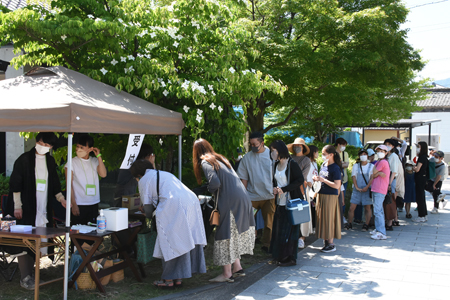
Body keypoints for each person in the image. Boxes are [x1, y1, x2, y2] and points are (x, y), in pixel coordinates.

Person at [130, 159, 207, 287]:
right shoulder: (164, 173)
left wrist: (146, 214)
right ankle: (178, 278)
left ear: (138, 175)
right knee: (183, 239)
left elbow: (148, 208)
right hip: (191, 202)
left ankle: (168, 280)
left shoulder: (144, 180)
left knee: (169, 242)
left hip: (173, 205)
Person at [7, 132, 67, 290]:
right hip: (26, 207)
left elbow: (55, 185)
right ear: (37, 141)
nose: (44, 147)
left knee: (37, 242)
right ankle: (25, 276)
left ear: (52, 147)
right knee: (25, 242)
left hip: (42, 208)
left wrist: (62, 199)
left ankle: (32, 274)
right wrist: (17, 206)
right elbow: (15, 184)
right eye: (42, 143)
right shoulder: (24, 159)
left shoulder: (50, 160)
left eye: (48, 145)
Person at [193, 139, 255, 282]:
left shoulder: (206, 161)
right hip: (243, 198)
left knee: (225, 234)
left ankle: (227, 274)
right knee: (234, 233)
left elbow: (215, 183)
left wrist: (207, 190)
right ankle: (237, 268)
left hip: (230, 201)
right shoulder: (221, 158)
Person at [237, 132, 274, 252]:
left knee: (269, 223)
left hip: (269, 195)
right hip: (251, 196)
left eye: (255, 144)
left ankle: (267, 245)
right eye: (251, 144)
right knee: (247, 221)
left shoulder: (272, 156)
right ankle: (247, 245)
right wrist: (243, 196)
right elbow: (244, 178)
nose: (253, 146)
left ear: (262, 143)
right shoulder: (247, 157)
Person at [269, 140, 304, 266]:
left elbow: (300, 180)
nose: (272, 152)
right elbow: (275, 181)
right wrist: (275, 188)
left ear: (280, 150)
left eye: (274, 150)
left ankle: (290, 258)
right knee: (279, 229)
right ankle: (280, 256)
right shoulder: (276, 164)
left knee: (290, 230)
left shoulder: (292, 164)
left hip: (291, 202)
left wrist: (284, 189)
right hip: (280, 202)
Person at [65, 134, 107, 226]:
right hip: (79, 203)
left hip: (94, 202)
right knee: (78, 232)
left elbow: (103, 174)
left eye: (82, 147)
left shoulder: (94, 161)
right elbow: (69, 185)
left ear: (90, 149)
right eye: (77, 146)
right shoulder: (71, 162)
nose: (78, 149)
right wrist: (73, 204)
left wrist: (99, 156)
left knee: (92, 232)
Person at [313, 145, 342, 253]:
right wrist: (317, 179)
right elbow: (322, 178)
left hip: (330, 195)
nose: (323, 156)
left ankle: (331, 243)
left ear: (331, 155)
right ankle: (326, 241)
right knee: (322, 218)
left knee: (329, 218)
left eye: (324, 154)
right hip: (321, 194)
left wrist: (323, 180)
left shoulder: (335, 168)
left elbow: (336, 185)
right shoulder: (324, 165)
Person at [346, 149, 374, 232]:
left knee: (367, 207)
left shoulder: (371, 166)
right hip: (357, 189)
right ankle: (349, 223)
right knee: (352, 207)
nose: (363, 156)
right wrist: (356, 187)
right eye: (362, 154)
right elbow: (353, 176)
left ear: (367, 156)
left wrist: (367, 186)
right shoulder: (356, 166)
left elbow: (372, 177)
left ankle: (366, 224)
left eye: (365, 154)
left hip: (367, 189)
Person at [370, 145, 390, 240]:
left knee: (377, 211)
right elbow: (373, 174)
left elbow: (373, 172)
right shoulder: (379, 162)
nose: (380, 152)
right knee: (379, 210)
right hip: (377, 188)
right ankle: (378, 229)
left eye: (383, 151)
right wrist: (377, 173)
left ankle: (381, 232)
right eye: (379, 150)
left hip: (379, 189)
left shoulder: (382, 162)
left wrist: (376, 173)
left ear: (386, 153)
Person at [300, 145, 318, 248]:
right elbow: (306, 178)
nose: (318, 154)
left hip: (313, 191)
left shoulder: (314, 163)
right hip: (306, 190)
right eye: (316, 152)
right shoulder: (307, 163)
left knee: (309, 213)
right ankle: (302, 237)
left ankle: (305, 235)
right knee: (304, 212)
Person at [383, 139, 401, 231]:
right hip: (384, 180)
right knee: (385, 202)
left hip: (390, 180)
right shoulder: (386, 155)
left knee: (390, 201)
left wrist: (389, 184)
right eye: (386, 144)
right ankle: (387, 221)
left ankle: (390, 223)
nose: (387, 145)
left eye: (389, 144)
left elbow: (394, 171)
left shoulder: (393, 156)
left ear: (393, 146)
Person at [413, 141, 429, 223]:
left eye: (418, 146)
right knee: (422, 197)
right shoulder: (425, 157)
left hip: (420, 178)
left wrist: (413, 167)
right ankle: (424, 215)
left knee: (419, 197)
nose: (417, 148)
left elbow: (417, 169)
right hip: (423, 178)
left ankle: (421, 215)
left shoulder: (422, 157)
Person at [335, 138, 349, 225]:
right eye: (342, 145)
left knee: (342, 199)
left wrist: (338, 164)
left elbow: (346, 165)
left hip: (344, 179)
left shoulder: (345, 153)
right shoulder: (332, 152)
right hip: (335, 179)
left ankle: (342, 216)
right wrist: (341, 163)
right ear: (338, 144)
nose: (343, 147)